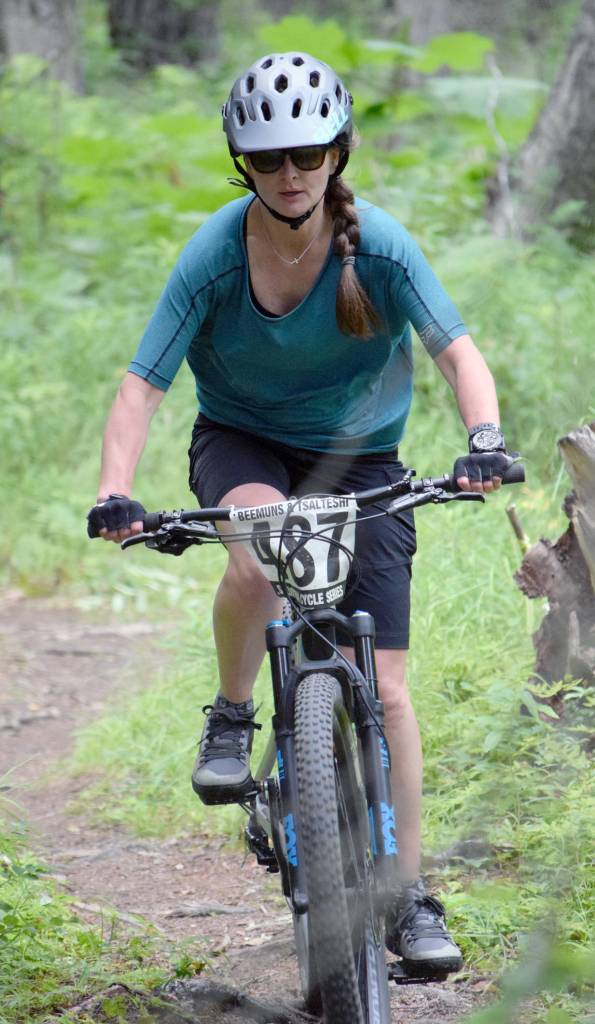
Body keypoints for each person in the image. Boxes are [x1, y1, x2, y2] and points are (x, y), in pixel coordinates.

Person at [87, 52, 511, 978]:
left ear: (337, 153)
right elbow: (140, 386)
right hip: (244, 443)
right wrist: (115, 492)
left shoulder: (381, 247)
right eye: (270, 157)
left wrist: (483, 439)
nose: (291, 174)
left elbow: (457, 352)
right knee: (255, 550)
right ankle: (235, 714)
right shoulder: (213, 255)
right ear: (242, 162)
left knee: (389, 687)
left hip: (364, 462)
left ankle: (407, 892)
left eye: (309, 155)